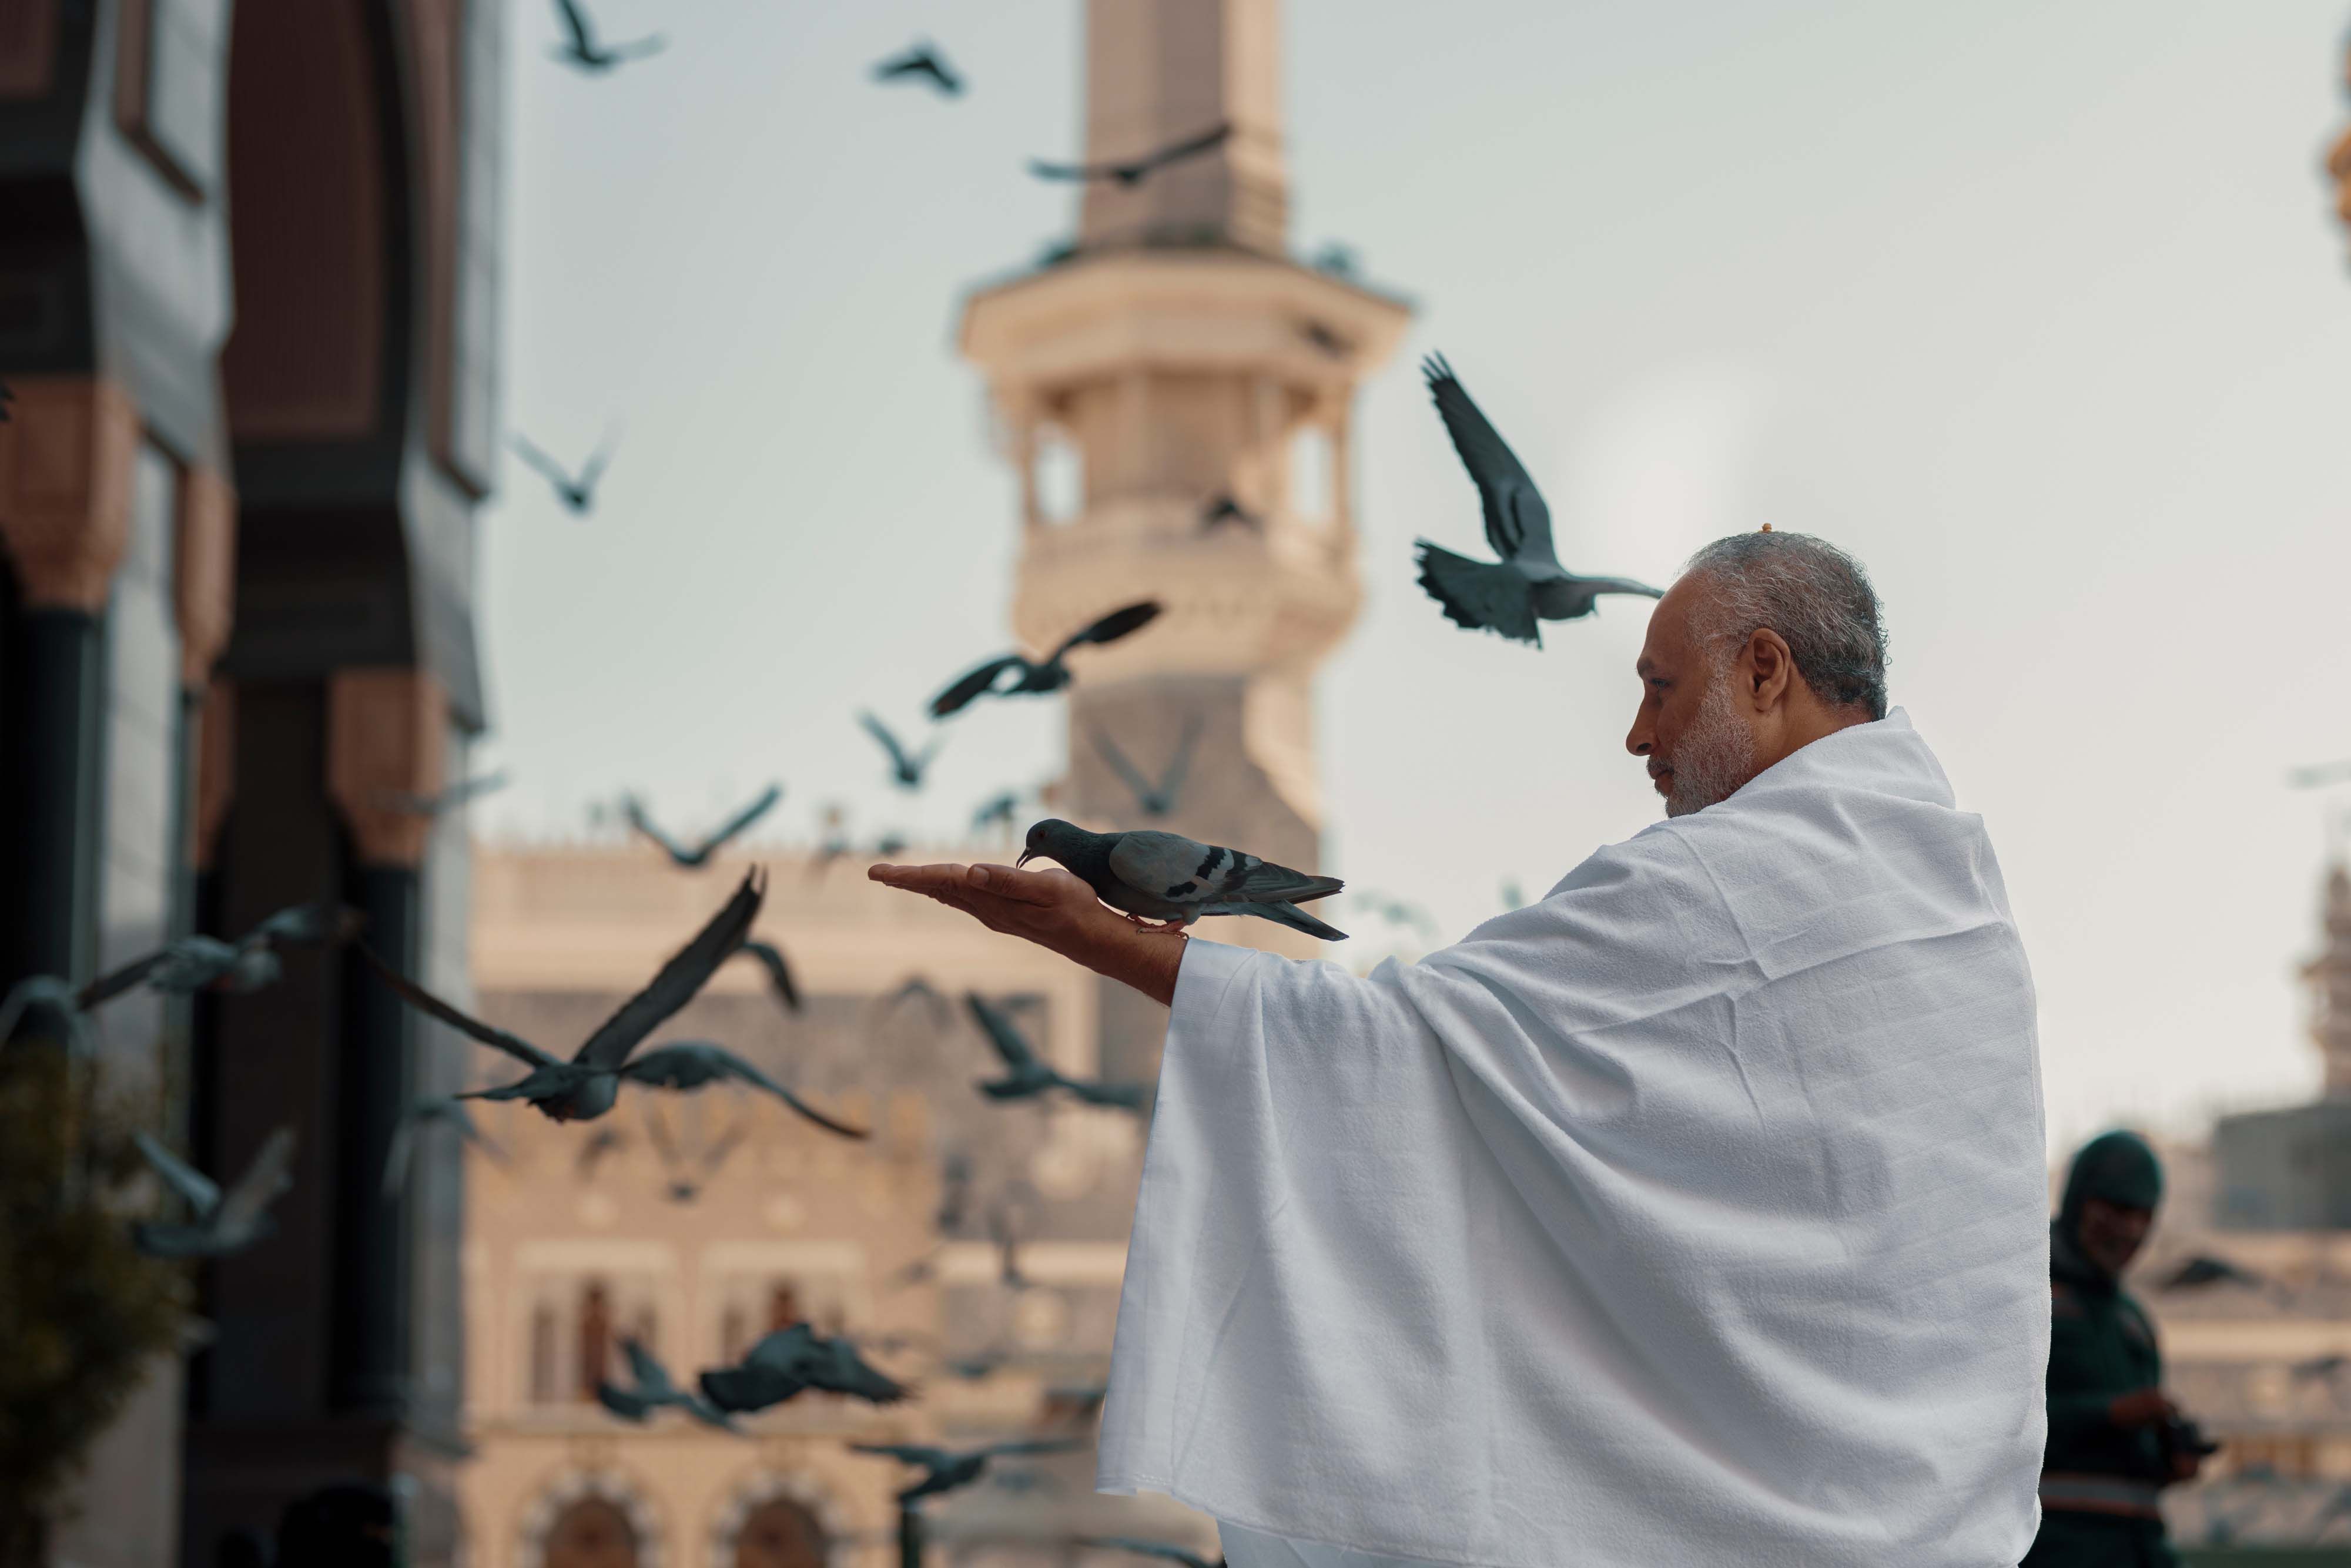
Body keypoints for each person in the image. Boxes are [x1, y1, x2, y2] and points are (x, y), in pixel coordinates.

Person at [873, 531, 2049, 1568]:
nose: (1637, 732)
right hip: (1943, 1522)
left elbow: (1389, 1049)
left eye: (1658, 685)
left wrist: (1094, 935)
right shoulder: (1955, 886)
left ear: (1762, 669)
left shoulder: (1712, 881)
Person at [2024, 1131, 2205, 1567]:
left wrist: (2169, 1460)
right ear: (2079, 1199)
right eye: (2118, 1209)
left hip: (2141, 1552)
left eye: (2144, 1214)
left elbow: (2125, 1474)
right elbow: (1993, 1423)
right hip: (2056, 1552)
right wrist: (2111, 1414)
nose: (2132, 1229)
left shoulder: (2134, 1323)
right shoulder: (2029, 1298)